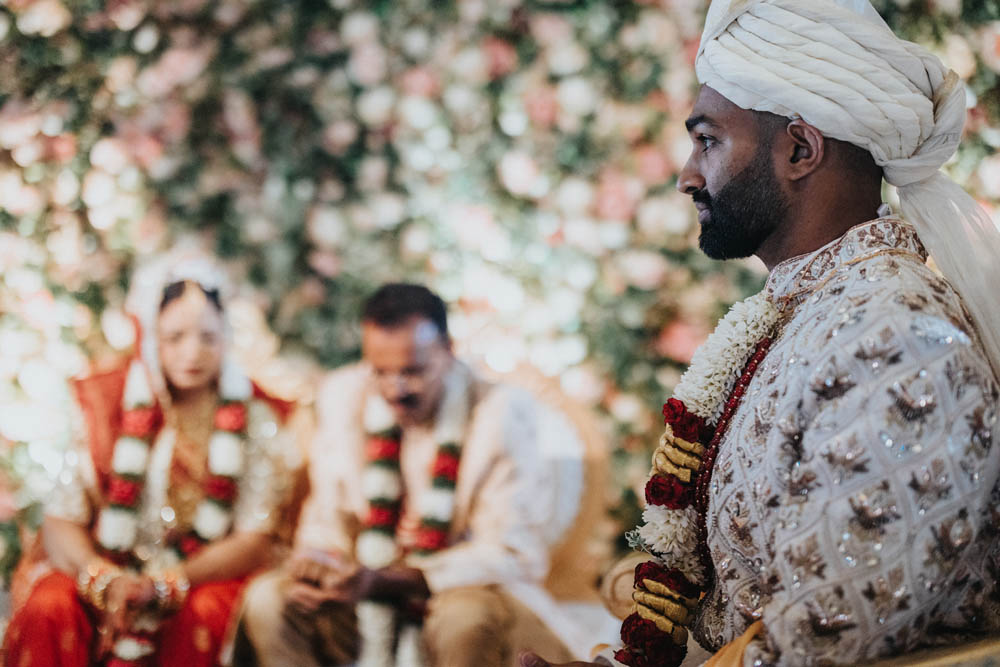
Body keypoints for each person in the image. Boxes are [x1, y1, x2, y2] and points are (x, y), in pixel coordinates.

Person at [522, 1, 1000, 666]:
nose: (689, 175)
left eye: (708, 140)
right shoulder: (807, 311)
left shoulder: (898, 336)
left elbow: (822, 639)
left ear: (800, 149)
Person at [235, 282, 588, 667]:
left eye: (413, 371)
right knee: (270, 600)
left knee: (463, 618)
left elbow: (512, 552)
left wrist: (397, 579)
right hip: (361, 595)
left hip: (464, 591)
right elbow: (326, 517)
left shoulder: (501, 414)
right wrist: (319, 564)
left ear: (448, 351)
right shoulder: (345, 397)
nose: (395, 389)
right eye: (381, 372)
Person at [2, 253, 296, 667]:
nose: (192, 353)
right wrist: (103, 578)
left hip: (200, 574)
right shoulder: (102, 405)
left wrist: (166, 585)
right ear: (150, 336)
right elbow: (60, 519)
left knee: (204, 612)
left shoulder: (255, 417)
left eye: (208, 338)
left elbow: (254, 537)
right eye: (175, 338)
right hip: (105, 564)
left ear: (225, 339)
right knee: (50, 606)